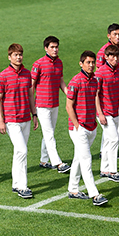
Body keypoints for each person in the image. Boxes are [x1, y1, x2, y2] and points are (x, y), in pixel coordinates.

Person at [0, 43, 39, 199]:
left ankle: (15, 183)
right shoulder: (2, 76)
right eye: (15, 55)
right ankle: (22, 186)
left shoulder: (27, 74)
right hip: (11, 120)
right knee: (22, 151)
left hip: (25, 119)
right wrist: (1, 120)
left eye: (20, 54)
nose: (19, 57)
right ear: (9, 57)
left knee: (18, 152)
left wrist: (34, 115)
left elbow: (30, 96)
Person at [66, 50, 108, 206]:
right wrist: (77, 126)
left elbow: (95, 100)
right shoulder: (75, 82)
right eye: (88, 62)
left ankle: (73, 189)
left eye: (93, 62)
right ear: (81, 64)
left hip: (91, 126)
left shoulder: (95, 81)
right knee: (86, 160)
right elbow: (69, 106)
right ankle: (94, 194)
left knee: (78, 158)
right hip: (79, 128)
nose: (91, 65)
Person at [31, 36, 70, 173]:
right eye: (52, 47)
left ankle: (44, 159)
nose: (55, 49)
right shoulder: (38, 64)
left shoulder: (59, 63)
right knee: (49, 134)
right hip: (42, 104)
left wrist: (69, 95)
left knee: (49, 132)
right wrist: (31, 107)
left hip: (54, 103)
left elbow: (61, 81)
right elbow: (32, 85)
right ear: (46, 48)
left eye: (56, 47)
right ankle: (57, 162)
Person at [96, 23, 119, 159]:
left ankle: (110, 151)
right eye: (115, 34)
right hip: (107, 94)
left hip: (118, 90)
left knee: (115, 123)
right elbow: (99, 73)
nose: (117, 37)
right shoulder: (103, 52)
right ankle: (114, 153)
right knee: (112, 126)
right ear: (108, 35)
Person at [95, 45, 119, 183]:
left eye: (117, 56)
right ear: (106, 57)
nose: (115, 59)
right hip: (104, 112)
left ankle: (104, 169)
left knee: (108, 140)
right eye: (112, 56)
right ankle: (113, 171)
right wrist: (100, 113)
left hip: (115, 110)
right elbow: (95, 94)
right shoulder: (100, 73)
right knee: (113, 139)